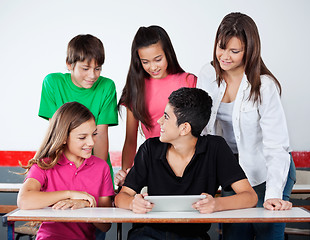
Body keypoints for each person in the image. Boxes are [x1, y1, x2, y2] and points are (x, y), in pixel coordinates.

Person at [197, 12, 295, 240]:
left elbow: (276, 146)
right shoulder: (207, 74)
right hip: (233, 171)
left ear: (249, 51)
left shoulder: (264, 86)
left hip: (267, 170)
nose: (225, 57)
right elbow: (202, 128)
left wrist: (273, 194)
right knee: (234, 235)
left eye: (235, 51)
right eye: (221, 48)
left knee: (267, 233)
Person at [115, 87, 258, 240]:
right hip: (148, 233)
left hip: (193, 236)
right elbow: (121, 197)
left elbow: (250, 197)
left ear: (184, 128)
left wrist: (216, 204)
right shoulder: (150, 148)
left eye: (166, 117)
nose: (159, 121)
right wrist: (132, 204)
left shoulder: (215, 148)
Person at [17, 102, 114, 240]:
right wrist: (70, 194)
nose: (91, 142)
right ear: (63, 138)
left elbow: (106, 225)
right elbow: (24, 201)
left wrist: (86, 205)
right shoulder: (44, 165)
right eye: (82, 137)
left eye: (94, 134)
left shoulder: (101, 167)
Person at [115, 25, 197, 187]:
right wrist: (126, 173)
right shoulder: (136, 88)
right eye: (145, 62)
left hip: (186, 162)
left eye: (158, 59)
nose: (153, 67)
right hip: (153, 163)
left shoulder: (188, 81)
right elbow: (130, 140)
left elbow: (197, 131)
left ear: (168, 53)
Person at [38, 34, 118, 185]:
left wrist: (98, 173)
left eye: (98, 68)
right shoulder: (53, 83)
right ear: (69, 64)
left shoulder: (107, 87)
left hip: (95, 164)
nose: (92, 75)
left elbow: (100, 135)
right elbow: (56, 133)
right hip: (61, 168)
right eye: (86, 68)